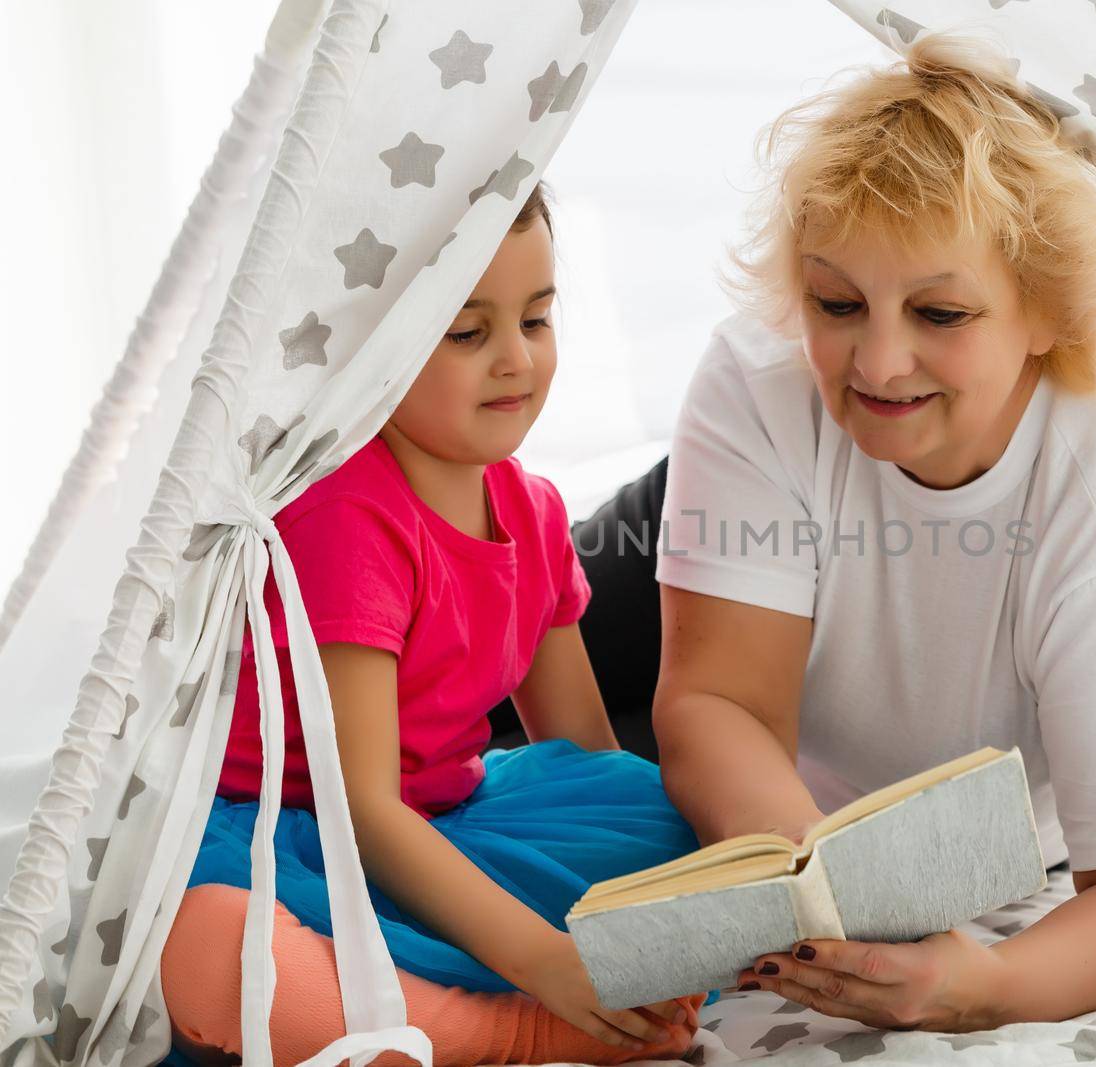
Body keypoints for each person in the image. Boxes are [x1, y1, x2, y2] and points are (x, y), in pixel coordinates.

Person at [638, 35, 1096, 1030]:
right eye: (837, 303)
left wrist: (983, 986)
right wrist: (828, 893)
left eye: (939, 311)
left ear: (1046, 312)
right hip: (671, 604)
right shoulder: (760, 374)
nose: (879, 359)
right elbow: (713, 701)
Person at [159, 184, 704, 1066]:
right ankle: (512, 1031)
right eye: (467, 333)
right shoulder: (347, 514)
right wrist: (546, 964)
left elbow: (591, 758)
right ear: (374, 344)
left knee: (663, 812)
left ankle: (520, 997)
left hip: (451, 820)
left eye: (536, 320)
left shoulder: (531, 509)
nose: (516, 361)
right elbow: (365, 809)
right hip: (295, 837)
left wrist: (681, 892)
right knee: (223, 955)